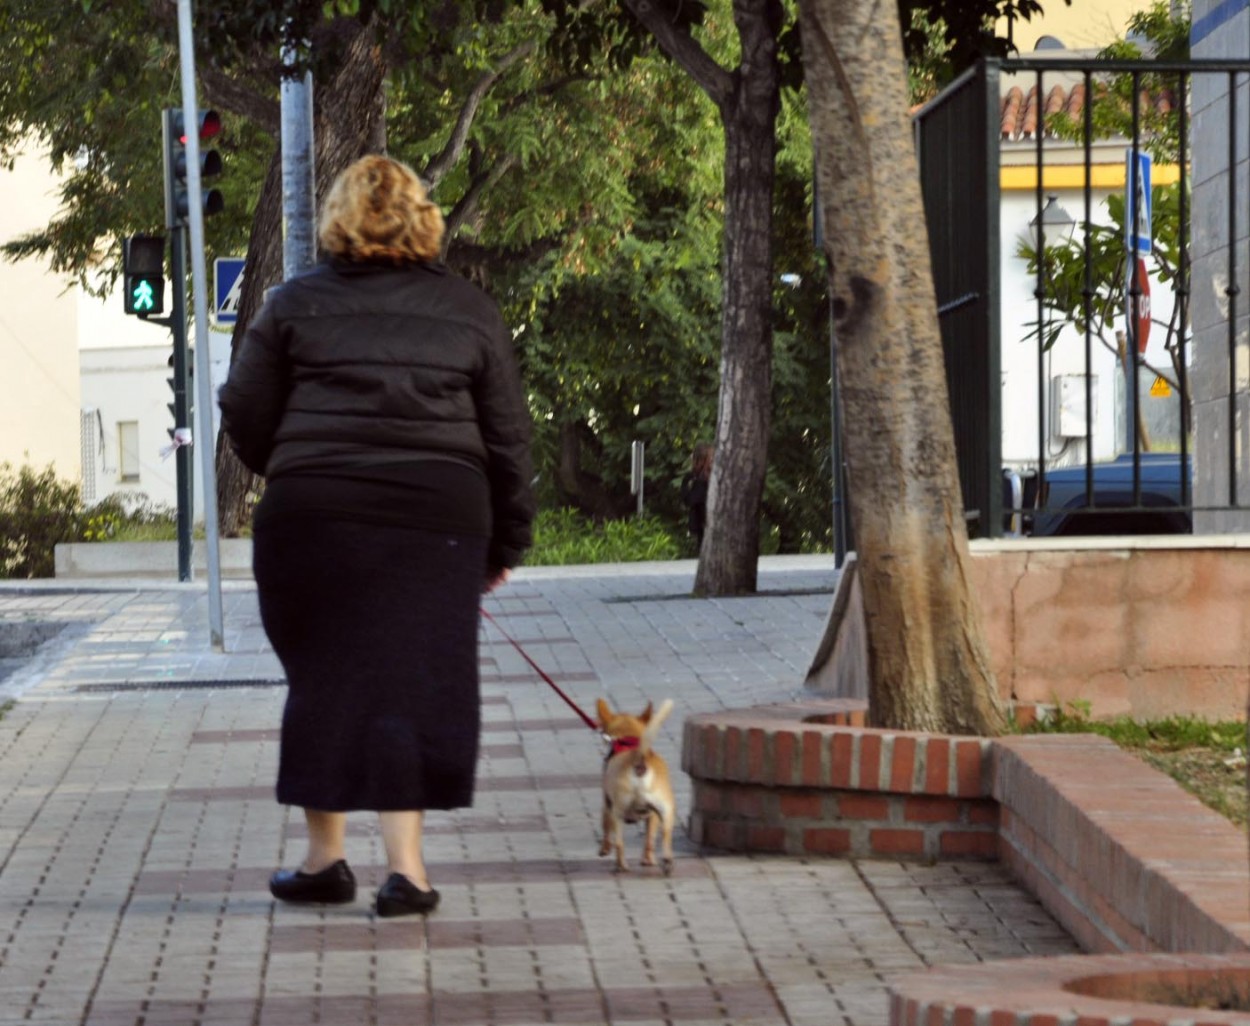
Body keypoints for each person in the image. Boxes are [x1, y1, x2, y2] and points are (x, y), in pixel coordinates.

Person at [218, 154, 535, 918]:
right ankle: (409, 873)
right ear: (422, 217)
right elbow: (509, 440)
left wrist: (291, 466)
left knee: (322, 676)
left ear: (338, 220)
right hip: (437, 516)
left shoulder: (292, 304)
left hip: (314, 515)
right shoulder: (469, 310)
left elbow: (243, 409)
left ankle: (324, 862)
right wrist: (505, 545)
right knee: (416, 680)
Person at [680, 442, 713, 551]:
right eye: (711, 458)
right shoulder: (693, 479)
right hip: (702, 523)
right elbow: (688, 500)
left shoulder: (714, 476)